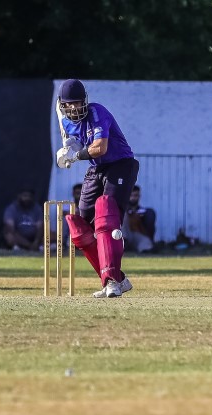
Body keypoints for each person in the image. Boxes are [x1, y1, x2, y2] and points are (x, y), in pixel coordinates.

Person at [55, 79, 139, 298]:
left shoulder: (96, 112)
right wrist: (68, 150)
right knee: (82, 227)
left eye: (78, 102)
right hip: (97, 168)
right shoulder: (66, 122)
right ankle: (119, 279)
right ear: (63, 105)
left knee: (106, 213)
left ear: (85, 100)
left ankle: (112, 282)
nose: (75, 108)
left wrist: (75, 156)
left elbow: (100, 148)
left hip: (121, 164)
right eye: (70, 104)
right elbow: (77, 143)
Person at [122, 185, 156, 253]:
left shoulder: (143, 211)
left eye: (135, 195)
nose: (133, 198)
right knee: (123, 215)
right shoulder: (122, 210)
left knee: (147, 246)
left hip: (137, 235)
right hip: (125, 235)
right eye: (131, 195)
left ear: (139, 196)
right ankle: (124, 244)